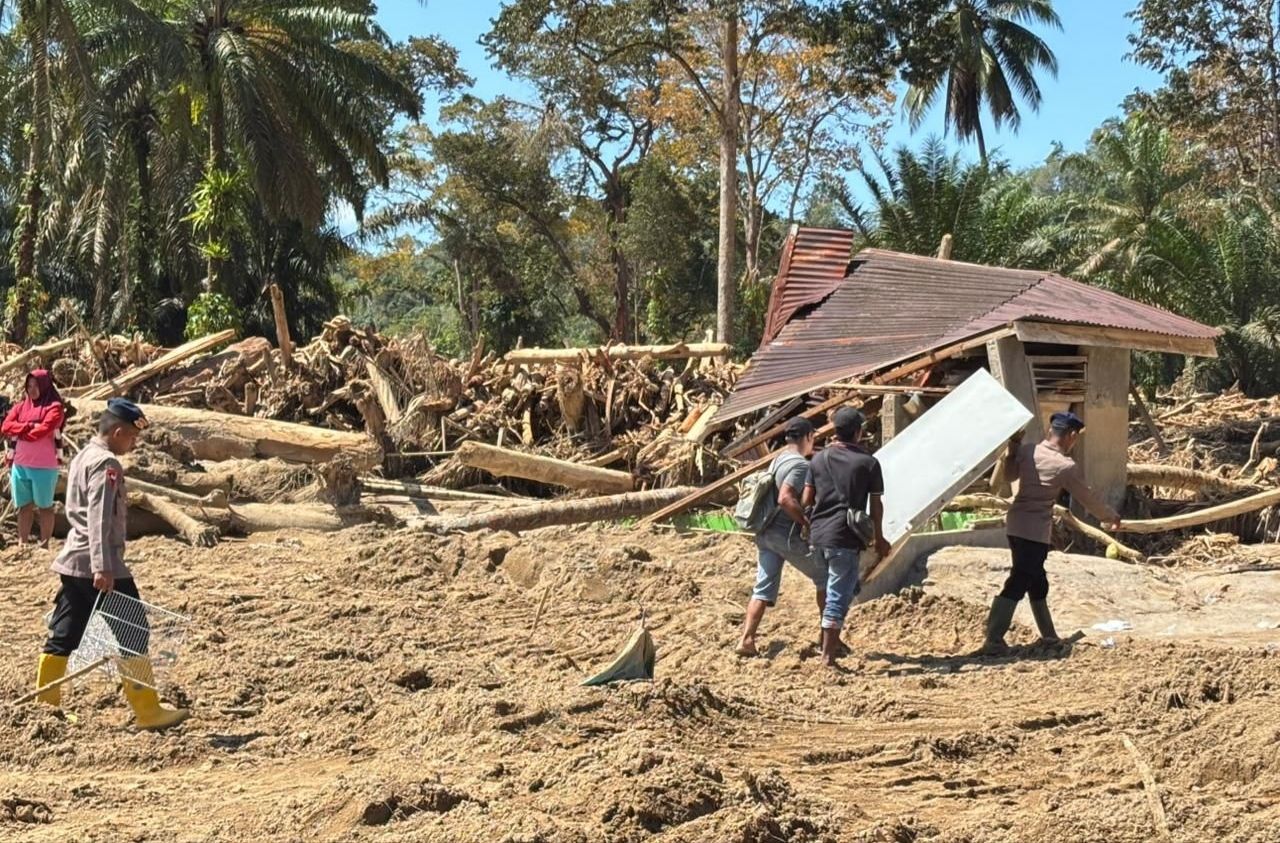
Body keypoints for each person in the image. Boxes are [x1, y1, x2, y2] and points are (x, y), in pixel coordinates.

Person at [33, 398, 189, 730]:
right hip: (97, 564)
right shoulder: (108, 465)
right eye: (132, 437)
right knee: (134, 628)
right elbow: (100, 518)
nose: (134, 443)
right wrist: (103, 567)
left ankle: (45, 706)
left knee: (65, 632)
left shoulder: (81, 457)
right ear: (117, 432)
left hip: (74, 561)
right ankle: (147, 710)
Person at [982, 411, 1121, 654]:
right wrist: (1109, 515)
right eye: (1075, 439)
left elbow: (1009, 475)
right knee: (1019, 580)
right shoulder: (1065, 465)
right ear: (1071, 436)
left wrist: (1013, 447)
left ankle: (1048, 636)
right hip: (1034, 531)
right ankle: (993, 639)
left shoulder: (1027, 451)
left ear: (1050, 432)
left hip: (1016, 525)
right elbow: (1086, 496)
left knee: (1037, 580)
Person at [805, 407, 890, 667]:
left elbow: (806, 499)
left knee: (836, 588)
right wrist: (879, 538)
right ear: (858, 432)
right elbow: (876, 506)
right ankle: (828, 657)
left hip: (818, 538)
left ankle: (828, 644)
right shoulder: (868, 463)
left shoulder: (817, 460)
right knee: (838, 596)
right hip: (845, 537)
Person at [736, 416, 827, 657]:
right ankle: (826, 637)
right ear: (808, 437)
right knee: (825, 577)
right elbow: (785, 498)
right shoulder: (799, 465)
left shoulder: (779, 458)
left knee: (762, 589)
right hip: (783, 535)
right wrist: (805, 522)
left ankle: (747, 639)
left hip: (765, 533)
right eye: (813, 438)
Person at [2, 369, 66, 547]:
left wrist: (21, 429)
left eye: (36, 385)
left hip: (44, 467)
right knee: (24, 506)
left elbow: (44, 430)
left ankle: (44, 544)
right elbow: (6, 426)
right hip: (20, 465)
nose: (32, 390)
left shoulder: (54, 407)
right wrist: (29, 425)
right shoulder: (21, 406)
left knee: (45, 507)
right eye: (29, 386)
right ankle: (22, 543)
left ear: (45, 386)